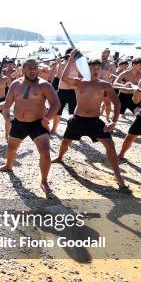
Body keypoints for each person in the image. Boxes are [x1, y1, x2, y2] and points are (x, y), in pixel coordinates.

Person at [51, 50, 130, 191]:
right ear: (86, 69)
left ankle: (119, 179)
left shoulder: (105, 85)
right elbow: (64, 78)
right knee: (65, 142)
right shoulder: (80, 82)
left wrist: (114, 121)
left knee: (110, 146)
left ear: (101, 70)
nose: (95, 70)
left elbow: (117, 103)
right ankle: (60, 157)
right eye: (92, 68)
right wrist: (71, 59)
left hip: (94, 121)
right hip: (78, 120)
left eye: (97, 68)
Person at [0, 59, 60, 193]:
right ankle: (8, 166)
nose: (33, 70)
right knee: (11, 148)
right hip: (19, 123)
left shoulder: (44, 85)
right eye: (30, 68)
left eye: (35, 68)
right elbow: (7, 104)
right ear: (23, 69)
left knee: (45, 153)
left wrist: (46, 119)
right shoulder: (15, 84)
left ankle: (44, 180)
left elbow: (56, 104)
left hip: (38, 124)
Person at [51, 48, 77, 134]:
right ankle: (54, 129)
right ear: (66, 54)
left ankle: (72, 131)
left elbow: (80, 77)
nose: (71, 55)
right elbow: (59, 76)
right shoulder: (61, 64)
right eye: (70, 54)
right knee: (57, 112)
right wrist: (59, 64)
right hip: (62, 90)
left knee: (73, 113)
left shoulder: (77, 64)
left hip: (73, 91)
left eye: (73, 54)